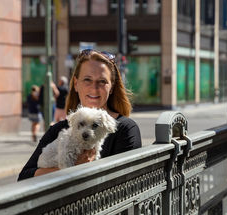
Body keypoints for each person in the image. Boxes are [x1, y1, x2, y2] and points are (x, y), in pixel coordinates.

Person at [18, 49, 142, 180]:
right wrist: (74, 167)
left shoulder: (125, 129)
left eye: (102, 81)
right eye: (87, 79)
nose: (94, 88)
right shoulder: (59, 129)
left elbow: (128, 186)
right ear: (76, 84)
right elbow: (25, 177)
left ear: (111, 87)